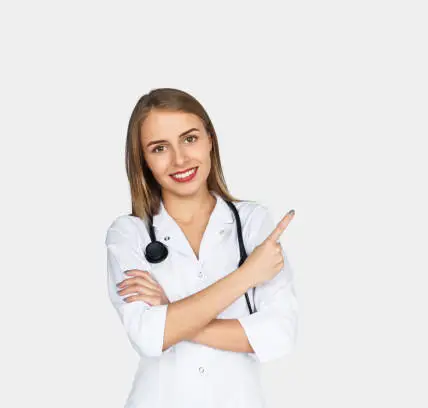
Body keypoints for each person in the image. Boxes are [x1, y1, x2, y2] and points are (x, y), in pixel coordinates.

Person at [104, 87, 298, 408]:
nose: (179, 159)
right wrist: (247, 275)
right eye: (159, 148)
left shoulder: (252, 222)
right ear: (143, 160)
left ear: (210, 139)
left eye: (189, 139)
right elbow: (148, 337)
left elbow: (279, 336)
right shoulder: (129, 234)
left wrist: (173, 315)